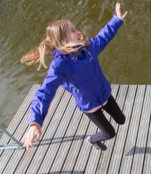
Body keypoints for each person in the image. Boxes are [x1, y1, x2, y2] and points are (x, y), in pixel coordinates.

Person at [21, 2, 128, 151]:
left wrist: (117, 20)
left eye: (75, 29)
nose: (78, 32)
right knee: (110, 133)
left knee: (121, 120)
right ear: (62, 40)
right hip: (90, 106)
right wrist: (35, 122)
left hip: (104, 94)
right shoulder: (60, 65)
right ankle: (92, 140)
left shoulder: (87, 48)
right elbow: (45, 92)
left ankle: (108, 124)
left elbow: (103, 37)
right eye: (72, 31)